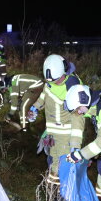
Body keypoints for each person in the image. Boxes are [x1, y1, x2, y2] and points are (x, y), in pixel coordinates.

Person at [28, 54, 85, 185]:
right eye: (50, 81)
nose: (52, 83)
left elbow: (79, 119)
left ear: (64, 72)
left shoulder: (74, 89)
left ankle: (60, 200)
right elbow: (44, 97)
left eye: (56, 80)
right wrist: (34, 109)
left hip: (66, 137)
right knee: (52, 163)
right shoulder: (50, 82)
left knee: (61, 170)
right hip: (52, 134)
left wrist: (75, 145)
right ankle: (53, 197)